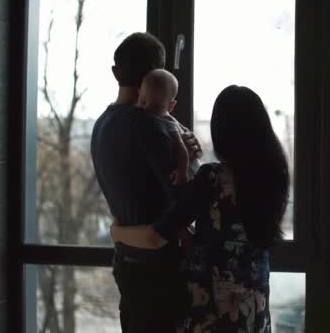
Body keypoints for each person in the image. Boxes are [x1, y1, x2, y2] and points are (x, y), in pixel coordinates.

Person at [110, 85, 290, 332]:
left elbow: (155, 237)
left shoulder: (213, 179)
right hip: (254, 312)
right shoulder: (276, 176)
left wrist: (117, 233)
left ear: (221, 131)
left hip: (211, 312)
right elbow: (233, 238)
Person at [90, 32, 201, 333]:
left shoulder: (101, 124)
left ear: (116, 73)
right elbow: (187, 196)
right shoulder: (150, 125)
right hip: (159, 269)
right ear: (157, 75)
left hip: (127, 262)